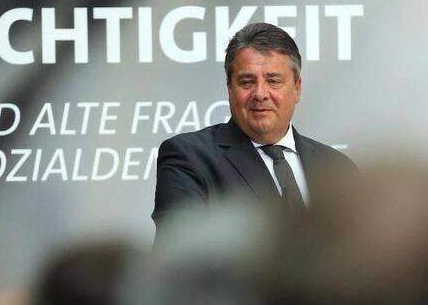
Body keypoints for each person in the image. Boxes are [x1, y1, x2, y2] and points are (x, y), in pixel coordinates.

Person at [152, 22, 358, 235]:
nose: (260, 93)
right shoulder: (190, 158)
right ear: (229, 88)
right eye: (247, 82)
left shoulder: (337, 168)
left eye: (273, 81)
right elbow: (180, 251)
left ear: (297, 88)